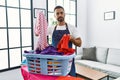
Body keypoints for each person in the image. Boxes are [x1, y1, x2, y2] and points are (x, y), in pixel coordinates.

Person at [48, 6, 82, 77]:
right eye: (57, 13)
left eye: (61, 13)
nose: (60, 15)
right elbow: (39, 34)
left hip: (68, 61)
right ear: (54, 16)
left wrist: (72, 39)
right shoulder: (51, 28)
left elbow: (80, 43)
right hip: (55, 61)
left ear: (64, 14)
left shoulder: (72, 28)